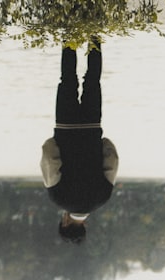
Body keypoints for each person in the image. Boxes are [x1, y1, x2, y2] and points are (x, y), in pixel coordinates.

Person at [40, 39, 119, 243]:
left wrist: (101, 142)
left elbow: (112, 160)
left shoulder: (102, 197)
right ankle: (70, 36)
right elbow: (50, 158)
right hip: (65, 126)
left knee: (93, 80)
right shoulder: (58, 198)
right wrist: (55, 140)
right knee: (68, 79)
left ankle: (95, 36)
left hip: (92, 127)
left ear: (84, 225)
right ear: (65, 222)